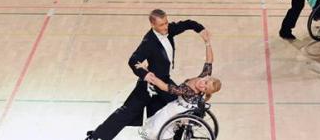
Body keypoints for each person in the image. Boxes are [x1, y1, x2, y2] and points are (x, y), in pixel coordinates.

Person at [86, 10, 209, 140]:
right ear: (153, 25)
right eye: (161, 25)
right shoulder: (149, 42)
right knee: (127, 112)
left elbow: (187, 24)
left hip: (163, 80)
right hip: (149, 85)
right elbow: (133, 60)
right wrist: (145, 74)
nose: (165, 27)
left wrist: (200, 29)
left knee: (166, 112)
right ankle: (96, 137)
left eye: (166, 23)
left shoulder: (168, 29)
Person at [137, 31, 222, 140]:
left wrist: (146, 72)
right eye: (205, 83)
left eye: (205, 89)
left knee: (159, 120)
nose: (202, 86)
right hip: (189, 106)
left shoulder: (187, 90)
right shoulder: (204, 75)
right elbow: (209, 60)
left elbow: (165, 87)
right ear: (207, 77)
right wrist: (207, 42)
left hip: (178, 109)